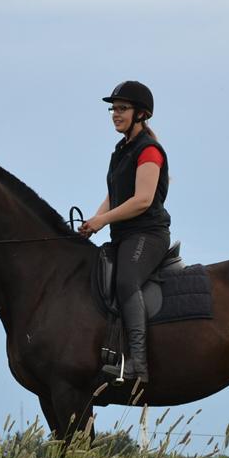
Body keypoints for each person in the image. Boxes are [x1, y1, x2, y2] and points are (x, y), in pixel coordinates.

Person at [78, 80, 171, 385]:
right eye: (113, 109)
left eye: (122, 108)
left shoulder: (149, 151)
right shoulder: (121, 151)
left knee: (126, 280)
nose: (115, 114)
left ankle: (137, 366)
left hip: (149, 234)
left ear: (141, 114)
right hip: (124, 235)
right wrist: (95, 218)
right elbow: (115, 195)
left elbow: (142, 200)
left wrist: (103, 221)